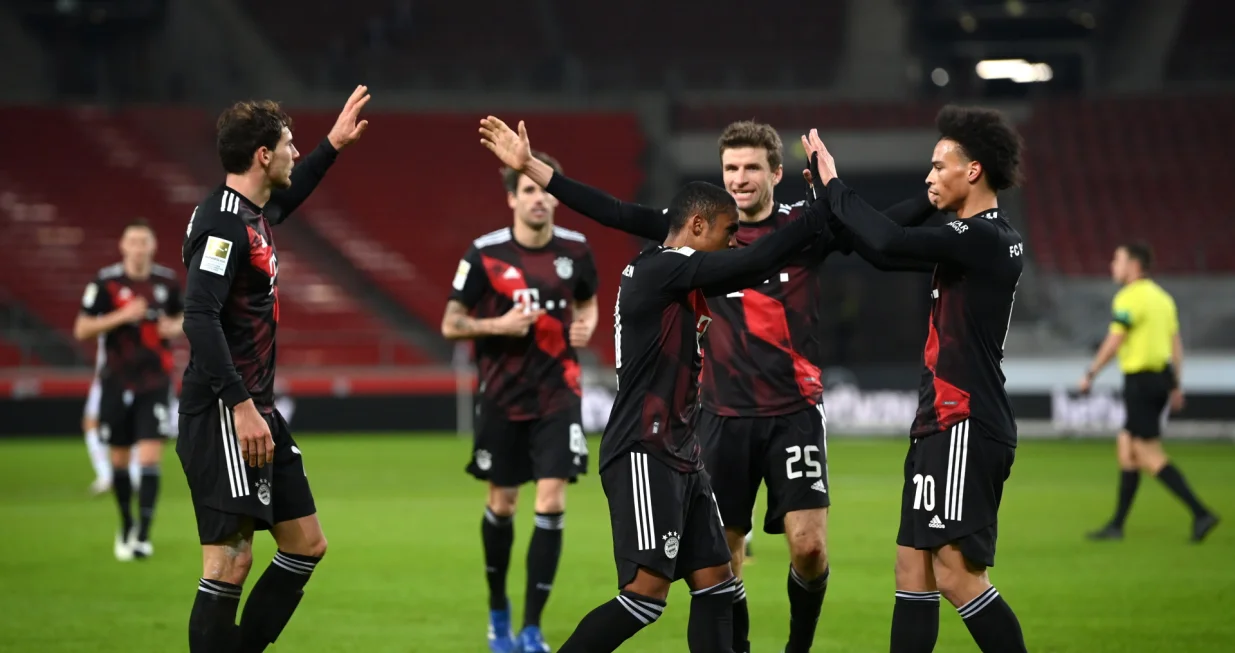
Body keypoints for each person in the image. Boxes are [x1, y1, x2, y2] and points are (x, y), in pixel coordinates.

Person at [479, 116, 937, 652]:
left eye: (750, 168)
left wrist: (912, 197)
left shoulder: (697, 251)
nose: (739, 182)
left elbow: (876, 230)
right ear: (700, 223)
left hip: (717, 434)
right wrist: (827, 199)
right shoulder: (673, 264)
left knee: (722, 581)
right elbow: (741, 255)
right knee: (646, 597)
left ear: (774, 172)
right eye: (730, 170)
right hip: (664, 440)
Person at [802, 105, 1029, 653]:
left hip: (965, 420)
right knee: (913, 572)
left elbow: (886, 240)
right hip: (939, 421)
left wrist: (836, 184)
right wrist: (829, 201)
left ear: (971, 171)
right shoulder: (971, 239)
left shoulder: (986, 238)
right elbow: (879, 248)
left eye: (937, 166)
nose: (928, 177)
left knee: (956, 577)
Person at [177, 86, 368, 653]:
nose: (293, 152)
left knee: (305, 543)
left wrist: (331, 146)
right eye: (288, 144)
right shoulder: (222, 224)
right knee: (230, 560)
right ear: (263, 154)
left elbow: (290, 196)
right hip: (224, 410)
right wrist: (240, 407)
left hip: (254, 407)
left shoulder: (253, 214)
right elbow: (199, 316)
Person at [440, 151, 600, 653]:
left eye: (544, 189)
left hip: (558, 393)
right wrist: (496, 326)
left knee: (551, 500)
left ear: (555, 196)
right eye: (527, 189)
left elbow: (589, 298)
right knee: (502, 504)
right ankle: (497, 609)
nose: (538, 198)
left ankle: (531, 628)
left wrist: (588, 323)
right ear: (512, 197)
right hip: (503, 398)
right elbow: (450, 322)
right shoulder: (484, 254)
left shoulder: (576, 250)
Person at [1081, 243, 1219, 542]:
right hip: (1160, 379)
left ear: (1134, 265)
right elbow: (1175, 344)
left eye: (1117, 260)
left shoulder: (1129, 298)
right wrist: (1176, 384)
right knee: (1126, 446)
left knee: (1146, 452)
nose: (1112, 266)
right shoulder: (1162, 298)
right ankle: (1117, 525)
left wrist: (1091, 373)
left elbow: (1116, 340)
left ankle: (1201, 512)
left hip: (1141, 382)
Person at [74, 219, 183, 560]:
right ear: (123, 247)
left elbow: (183, 318)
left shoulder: (166, 281)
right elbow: (82, 329)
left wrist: (174, 326)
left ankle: (142, 535)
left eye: (144, 241)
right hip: (116, 381)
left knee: (150, 456)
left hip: (155, 381)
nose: (138, 247)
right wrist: (122, 317)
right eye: (132, 241)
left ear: (152, 246)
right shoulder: (106, 284)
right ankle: (125, 524)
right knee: (119, 458)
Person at [83, 347, 142, 496]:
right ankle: (109, 475)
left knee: (129, 421)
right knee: (91, 422)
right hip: (107, 375)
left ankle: (124, 476)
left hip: (126, 374)